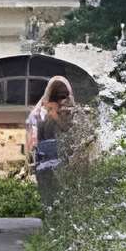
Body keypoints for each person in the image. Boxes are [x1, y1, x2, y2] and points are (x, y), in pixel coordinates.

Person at [25, 75, 76, 220]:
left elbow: (70, 131)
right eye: (59, 96)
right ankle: (50, 216)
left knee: (63, 191)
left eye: (64, 96)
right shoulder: (40, 111)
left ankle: (61, 218)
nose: (62, 100)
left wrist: (58, 117)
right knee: (48, 192)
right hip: (45, 157)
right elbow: (32, 129)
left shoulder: (70, 112)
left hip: (63, 159)